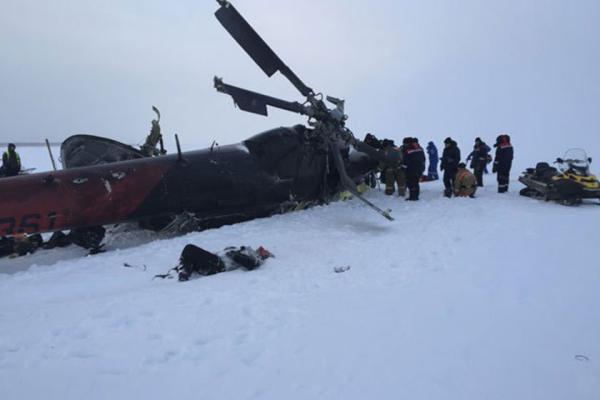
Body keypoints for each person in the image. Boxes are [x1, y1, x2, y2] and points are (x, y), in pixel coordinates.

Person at [158, 244, 274, 281]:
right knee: (190, 256)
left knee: (189, 249)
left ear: (264, 255)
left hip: (219, 265)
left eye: (265, 251)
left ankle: (183, 270)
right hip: (214, 260)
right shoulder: (242, 250)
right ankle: (182, 271)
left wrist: (234, 254)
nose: (261, 248)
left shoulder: (254, 259)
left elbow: (250, 265)